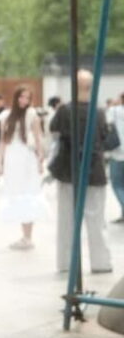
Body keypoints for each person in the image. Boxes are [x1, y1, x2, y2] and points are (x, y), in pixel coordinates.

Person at [50, 70, 113, 273]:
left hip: (68, 171)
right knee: (97, 220)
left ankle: (66, 263)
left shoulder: (64, 111)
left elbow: (54, 134)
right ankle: (100, 262)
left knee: (67, 220)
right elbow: (105, 138)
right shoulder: (99, 112)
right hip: (94, 171)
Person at [0, 87, 47, 250]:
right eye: (21, 97)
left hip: (27, 159)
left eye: (27, 97)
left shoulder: (32, 115)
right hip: (12, 159)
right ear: (16, 97)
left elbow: (38, 139)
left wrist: (40, 160)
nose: (24, 100)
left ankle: (28, 236)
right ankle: (25, 235)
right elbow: (2, 141)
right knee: (17, 195)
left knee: (28, 194)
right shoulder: (6, 116)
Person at [107, 94, 124, 223]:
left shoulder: (114, 110)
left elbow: (107, 123)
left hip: (118, 153)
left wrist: (113, 104)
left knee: (117, 184)